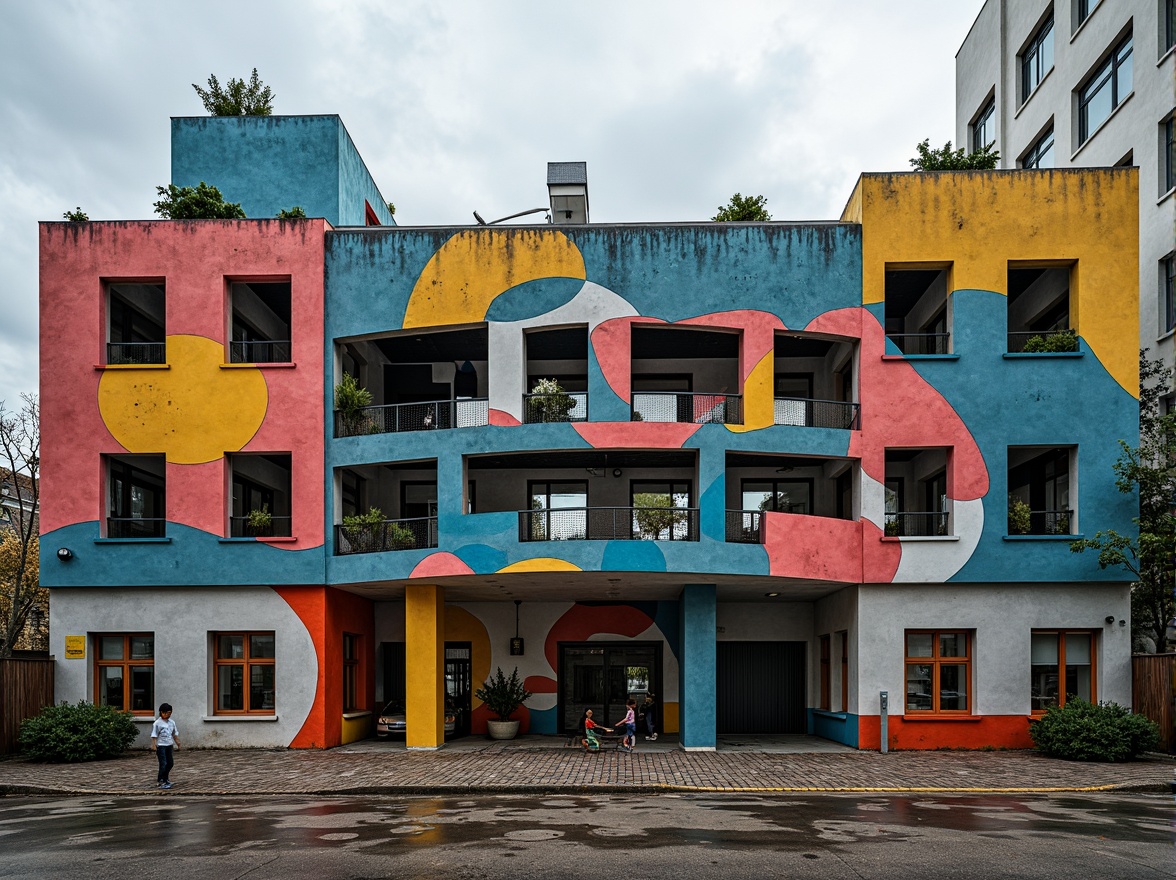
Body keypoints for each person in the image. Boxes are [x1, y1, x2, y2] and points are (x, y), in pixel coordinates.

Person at [151, 702, 180, 789]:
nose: (168, 715)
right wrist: (154, 745)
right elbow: (154, 735)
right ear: (162, 713)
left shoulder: (172, 722)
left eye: (169, 713)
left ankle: (165, 778)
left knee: (170, 763)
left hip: (169, 745)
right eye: (166, 713)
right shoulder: (157, 723)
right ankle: (161, 780)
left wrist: (178, 742)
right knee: (163, 763)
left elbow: (174, 734)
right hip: (161, 746)